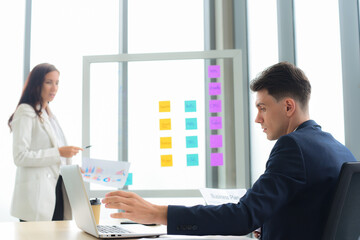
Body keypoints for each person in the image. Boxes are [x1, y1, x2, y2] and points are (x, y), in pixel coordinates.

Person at [101, 62, 357, 240]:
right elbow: (312, 214)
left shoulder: (293, 147)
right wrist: (267, 224)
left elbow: (242, 217)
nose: (258, 118)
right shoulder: (340, 150)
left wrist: (156, 213)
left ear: (288, 107)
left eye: (263, 108)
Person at [8, 63, 83, 221]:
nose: (54, 88)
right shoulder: (26, 111)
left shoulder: (50, 115)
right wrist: (59, 153)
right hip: (37, 197)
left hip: (57, 190)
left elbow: (55, 158)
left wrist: (72, 169)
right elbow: (20, 156)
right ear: (37, 84)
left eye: (57, 83)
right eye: (48, 82)